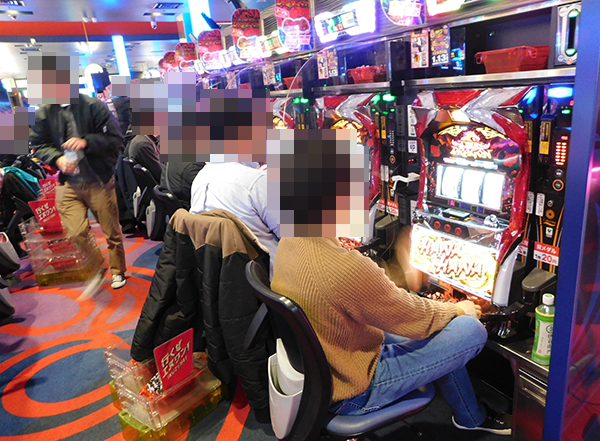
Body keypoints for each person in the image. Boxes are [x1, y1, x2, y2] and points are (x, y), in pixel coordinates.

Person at [269, 129, 511, 436]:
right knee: (469, 330)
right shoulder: (343, 266)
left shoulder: (291, 239)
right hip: (353, 389)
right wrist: (459, 309)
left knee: (438, 325)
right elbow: (417, 318)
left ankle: (470, 415)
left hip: (330, 363)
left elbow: (407, 314)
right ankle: (470, 416)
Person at [29, 52, 127, 289]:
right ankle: (95, 264)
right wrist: (57, 159)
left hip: (98, 179)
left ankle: (118, 271)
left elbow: (116, 139)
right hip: (68, 182)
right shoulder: (44, 112)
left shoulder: (93, 106)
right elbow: (38, 145)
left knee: (111, 231)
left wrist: (86, 141)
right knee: (75, 233)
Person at [190, 162, 280, 278]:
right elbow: (296, 235)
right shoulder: (256, 182)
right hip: (271, 274)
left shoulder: (200, 178)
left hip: (221, 273)